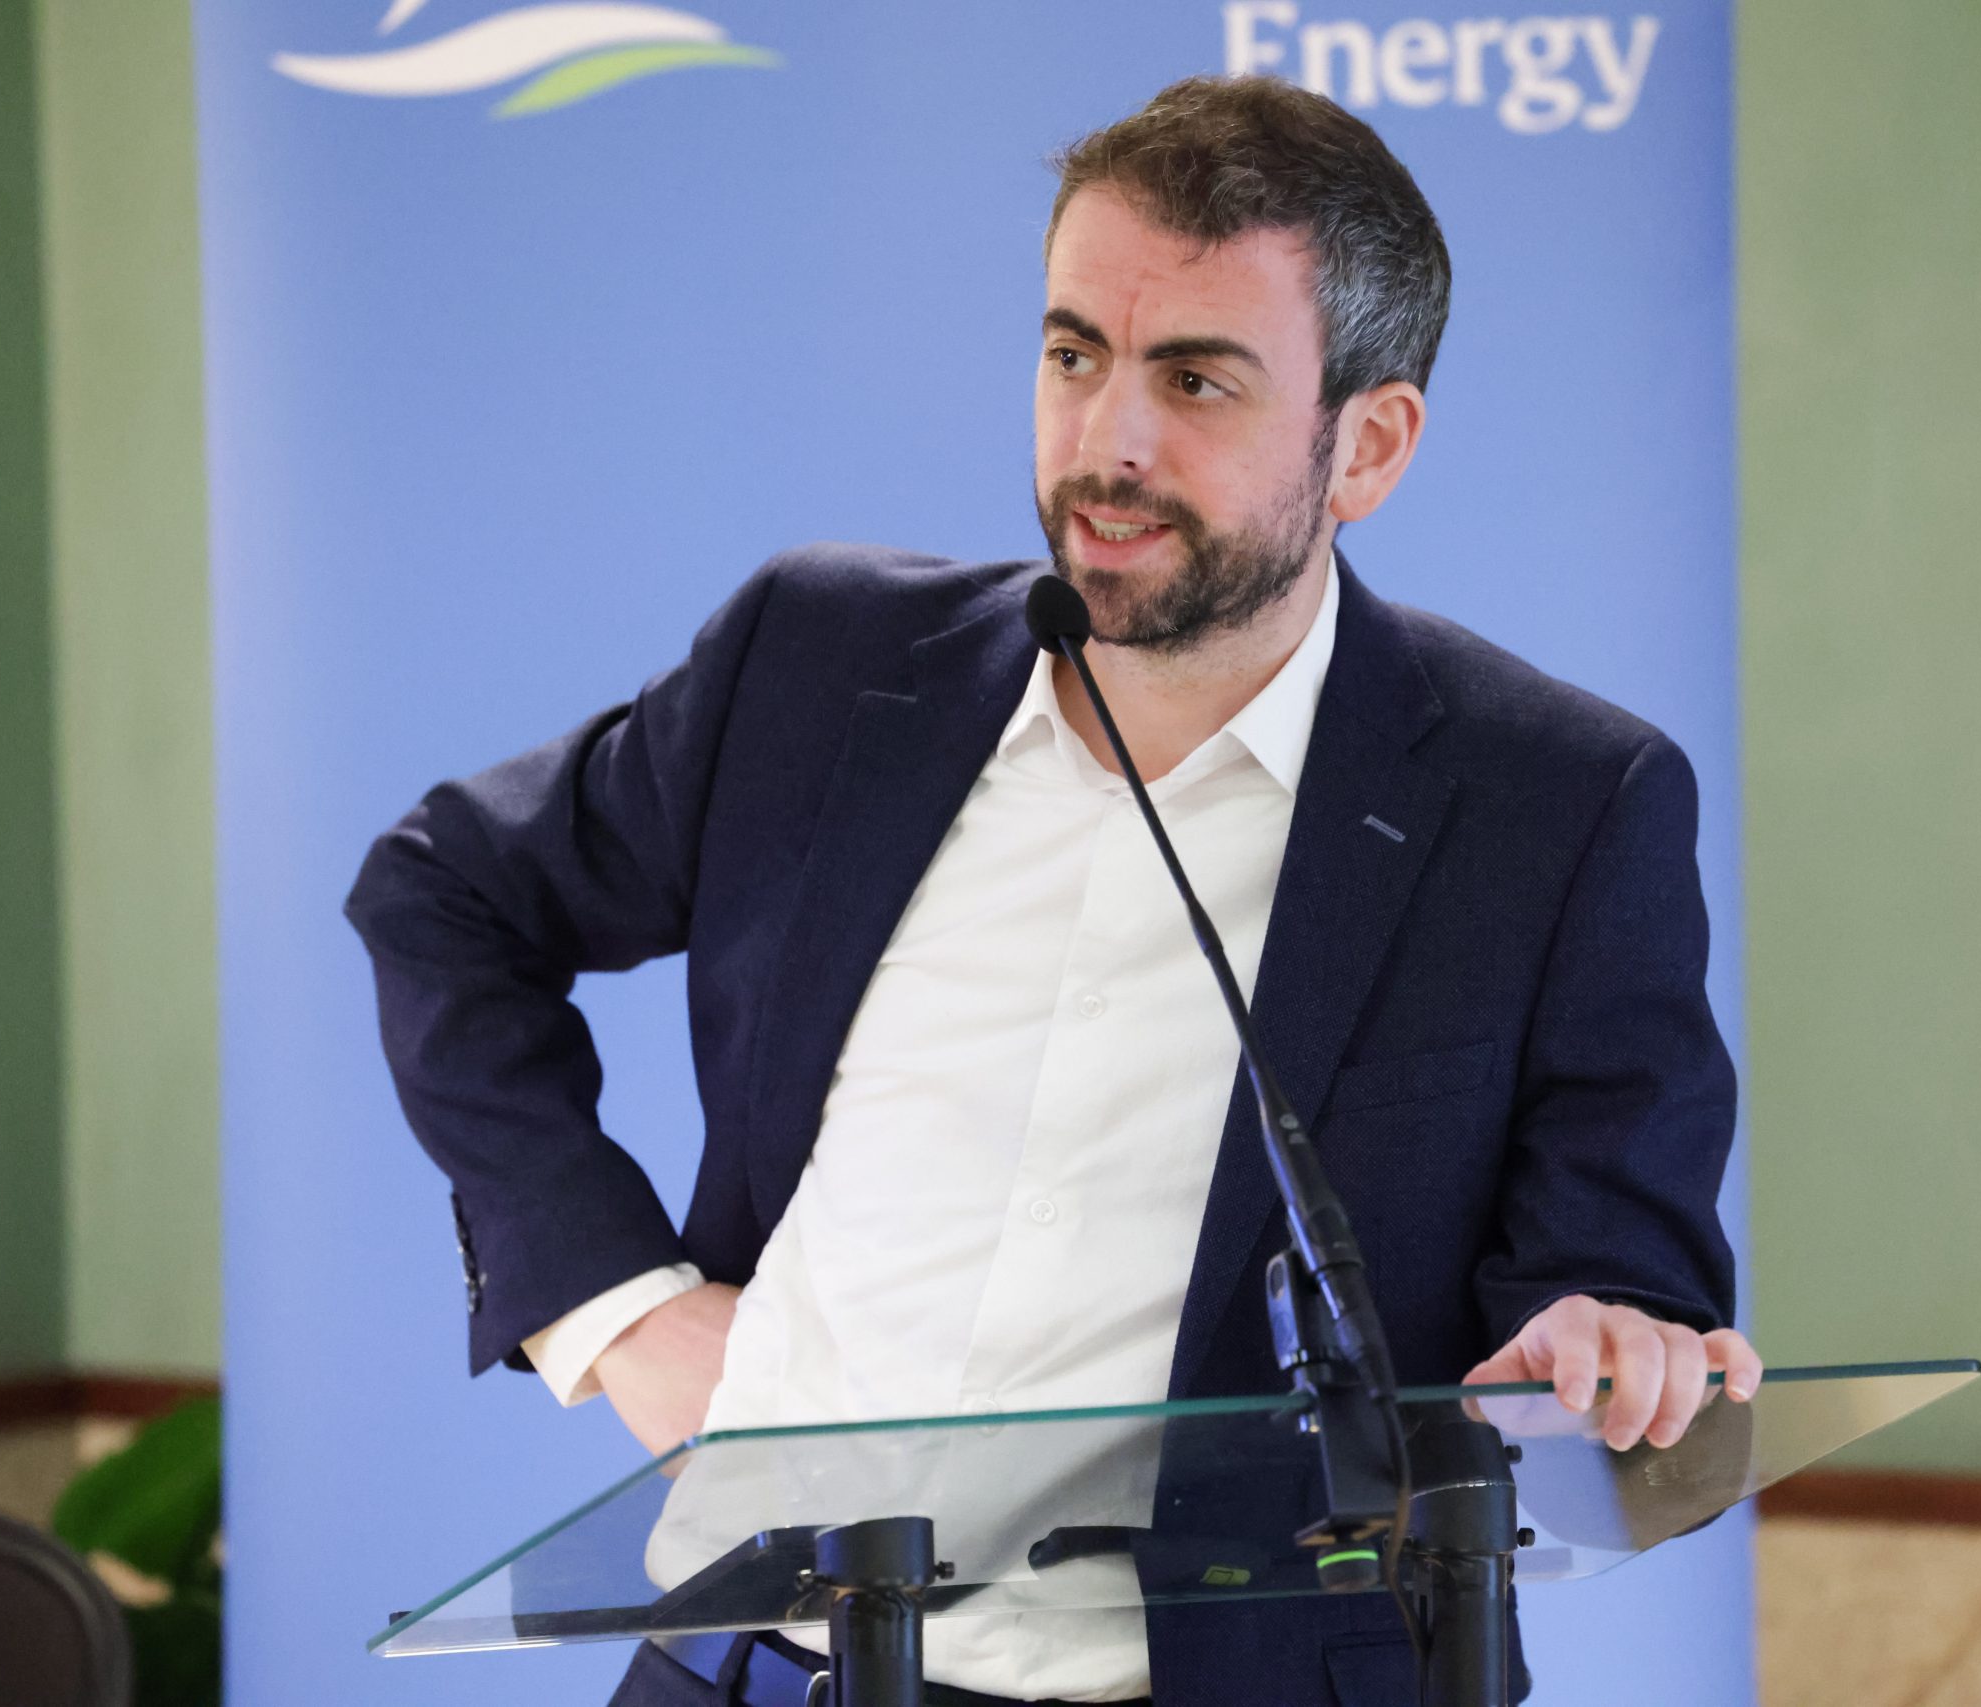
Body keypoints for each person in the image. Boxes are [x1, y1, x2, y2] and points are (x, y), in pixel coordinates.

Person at [347, 74, 1759, 1707]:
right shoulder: (820, 667)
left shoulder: (1555, 803)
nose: (1110, 440)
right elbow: (445, 889)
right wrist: (613, 1305)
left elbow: (1619, 1289)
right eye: (1074, 352)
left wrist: (1598, 1365)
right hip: (751, 1668)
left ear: (1366, 444)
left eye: (1198, 379)